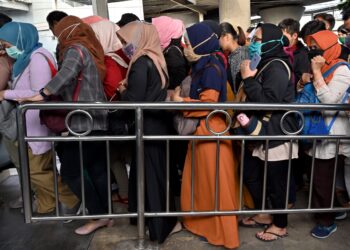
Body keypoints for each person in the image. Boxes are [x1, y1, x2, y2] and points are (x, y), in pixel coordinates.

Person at [20, 16, 112, 235]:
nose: (56, 36)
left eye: (57, 32)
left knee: (71, 172)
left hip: (81, 121)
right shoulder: (91, 48)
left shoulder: (76, 49)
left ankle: (98, 216)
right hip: (97, 120)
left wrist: (42, 94)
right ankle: (107, 216)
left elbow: (67, 73)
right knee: (97, 169)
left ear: (66, 32)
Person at [172, 22, 240, 249]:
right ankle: (206, 225)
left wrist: (182, 102)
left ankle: (224, 233)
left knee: (215, 185)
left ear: (201, 43)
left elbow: (209, 103)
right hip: (207, 129)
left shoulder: (210, 65)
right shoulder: (208, 61)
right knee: (206, 183)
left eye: (189, 42)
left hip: (211, 130)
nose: (186, 46)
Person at [0, 22, 79, 214]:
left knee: (35, 170)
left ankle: (73, 199)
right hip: (32, 123)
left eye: (7, 45)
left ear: (20, 39)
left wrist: (6, 94)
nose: (5, 50)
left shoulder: (37, 59)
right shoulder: (28, 58)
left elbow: (40, 92)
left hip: (37, 123)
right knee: (40, 167)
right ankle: (46, 204)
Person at [116, 21, 180, 244]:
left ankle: (160, 226)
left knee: (151, 178)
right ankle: (162, 222)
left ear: (140, 38)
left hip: (148, 127)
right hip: (157, 125)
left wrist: (124, 90)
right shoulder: (156, 59)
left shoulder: (142, 62)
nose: (124, 45)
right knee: (155, 177)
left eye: (127, 41)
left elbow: (135, 100)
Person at [239, 23, 298, 242]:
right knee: (265, 178)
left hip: (278, 133)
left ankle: (280, 225)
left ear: (273, 41)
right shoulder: (266, 62)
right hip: (268, 132)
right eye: (254, 39)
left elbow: (268, 100)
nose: (253, 43)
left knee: (277, 183)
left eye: (258, 39)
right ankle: (267, 214)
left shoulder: (277, 66)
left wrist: (247, 79)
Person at [300, 30, 350, 239]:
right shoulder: (323, 66)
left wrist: (317, 73)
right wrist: (306, 80)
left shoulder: (342, 70)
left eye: (317, 48)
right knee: (322, 177)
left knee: (323, 178)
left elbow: (330, 101)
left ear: (331, 48)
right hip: (318, 128)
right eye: (311, 48)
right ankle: (335, 209)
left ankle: (326, 221)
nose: (314, 53)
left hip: (333, 132)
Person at [219, 22, 248, 93]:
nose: (218, 41)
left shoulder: (241, 55)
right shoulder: (232, 55)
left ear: (227, 37)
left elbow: (239, 88)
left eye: (218, 37)